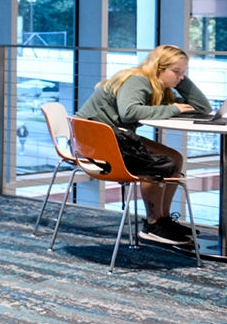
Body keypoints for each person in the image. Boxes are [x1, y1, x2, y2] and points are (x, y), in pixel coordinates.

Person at [74, 44, 211, 245]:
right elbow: (128, 112)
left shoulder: (159, 88)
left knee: (175, 158)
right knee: (159, 164)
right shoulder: (138, 80)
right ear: (158, 68)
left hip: (115, 138)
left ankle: (162, 221)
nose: (180, 76)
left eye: (183, 72)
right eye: (176, 71)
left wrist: (180, 81)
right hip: (94, 143)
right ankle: (153, 224)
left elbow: (202, 108)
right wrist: (172, 109)